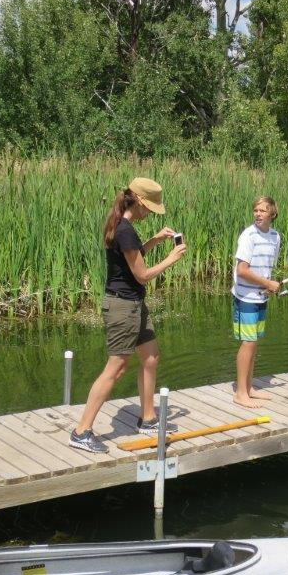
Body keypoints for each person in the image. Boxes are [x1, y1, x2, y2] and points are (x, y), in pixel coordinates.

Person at [69, 177, 187, 453]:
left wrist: (154, 241)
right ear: (140, 203)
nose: (150, 213)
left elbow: (130, 258)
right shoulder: (125, 230)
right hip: (123, 307)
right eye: (150, 208)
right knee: (116, 368)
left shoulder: (122, 225)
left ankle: (147, 419)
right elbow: (143, 275)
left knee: (151, 356)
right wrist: (172, 258)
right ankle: (81, 431)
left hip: (134, 304)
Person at [231, 197, 281, 408]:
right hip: (244, 297)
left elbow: (266, 267)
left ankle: (249, 387)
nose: (258, 214)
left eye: (263, 210)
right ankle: (240, 393)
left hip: (260, 295)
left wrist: (267, 287)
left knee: (254, 343)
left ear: (272, 214)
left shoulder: (275, 237)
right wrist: (267, 282)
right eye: (255, 210)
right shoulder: (248, 236)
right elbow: (242, 271)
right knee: (248, 342)